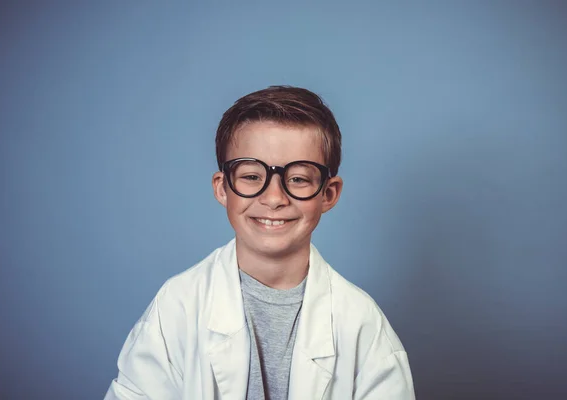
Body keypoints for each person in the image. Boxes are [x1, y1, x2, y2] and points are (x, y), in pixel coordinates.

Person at [105, 86, 415, 399]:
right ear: (222, 188)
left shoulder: (363, 325)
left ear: (328, 194)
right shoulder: (177, 307)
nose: (274, 198)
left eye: (298, 178)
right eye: (252, 176)